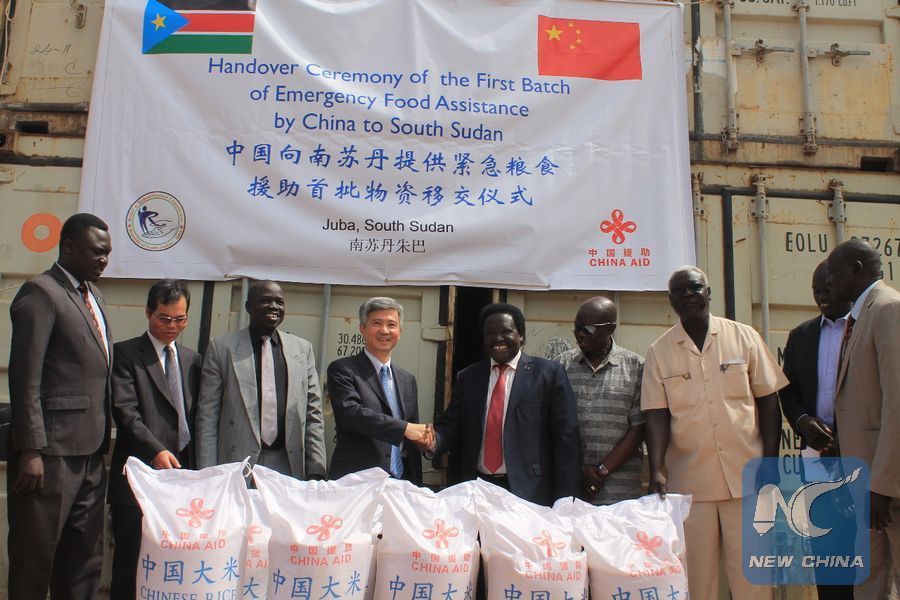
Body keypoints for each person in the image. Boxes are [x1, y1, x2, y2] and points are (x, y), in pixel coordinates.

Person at [642, 266, 786, 600]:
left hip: (747, 478)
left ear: (708, 292)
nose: (688, 295)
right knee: (697, 581)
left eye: (695, 288)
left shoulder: (744, 337)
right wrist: (657, 469)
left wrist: (770, 462)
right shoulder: (659, 351)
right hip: (691, 484)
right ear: (670, 301)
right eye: (680, 291)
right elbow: (656, 415)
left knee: (753, 579)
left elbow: (769, 402)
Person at [7, 212, 112, 600]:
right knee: (35, 560)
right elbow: (25, 377)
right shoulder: (41, 292)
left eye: (107, 253)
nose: (104, 260)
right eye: (97, 252)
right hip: (50, 455)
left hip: (90, 454)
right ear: (68, 247)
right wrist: (31, 449)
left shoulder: (94, 296)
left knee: (83, 561)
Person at [431, 302, 581, 506]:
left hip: (529, 492)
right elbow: (451, 426)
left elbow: (566, 440)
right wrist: (432, 441)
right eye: (490, 333)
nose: (498, 338)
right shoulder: (468, 377)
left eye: (506, 332)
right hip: (476, 489)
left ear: (521, 336)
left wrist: (566, 501)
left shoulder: (548, 374)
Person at [108, 279, 202, 600]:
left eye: (180, 319)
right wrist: (156, 450)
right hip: (138, 478)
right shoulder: (125, 354)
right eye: (164, 318)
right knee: (130, 564)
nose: (172, 326)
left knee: (170, 566)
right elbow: (125, 412)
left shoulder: (192, 360)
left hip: (180, 482)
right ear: (148, 312)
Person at [195, 280, 327, 479]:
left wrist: (316, 469)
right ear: (248, 306)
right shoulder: (222, 348)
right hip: (236, 464)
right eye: (265, 301)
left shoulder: (302, 350)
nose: (274, 307)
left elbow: (313, 414)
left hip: (287, 464)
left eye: (279, 302)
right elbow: (208, 416)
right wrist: (208, 473)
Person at [827, 239, 900, 599]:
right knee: (868, 581)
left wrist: (883, 486)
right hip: (865, 482)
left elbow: (897, 402)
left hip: (888, 487)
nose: (829, 282)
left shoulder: (888, 308)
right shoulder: (861, 315)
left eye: (834, 273)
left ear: (856, 269)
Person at [780, 261, 854, 599]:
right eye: (816, 291)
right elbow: (788, 392)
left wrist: (846, 438)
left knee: (872, 556)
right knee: (829, 556)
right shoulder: (801, 336)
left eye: (828, 289)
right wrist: (802, 421)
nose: (822, 297)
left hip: (863, 459)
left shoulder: (865, 329)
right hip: (817, 464)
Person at [328, 297, 428, 483]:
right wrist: (404, 429)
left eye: (392, 324)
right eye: (377, 323)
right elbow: (351, 413)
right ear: (362, 328)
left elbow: (411, 433)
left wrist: (424, 441)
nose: (384, 330)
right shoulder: (343, 370)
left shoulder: (407, 380)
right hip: (358, 481)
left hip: (402, 482)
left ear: (400, 331)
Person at [556, 296, 644, 505]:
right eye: (577, 327)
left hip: (618, 491)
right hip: (572, 487)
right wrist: (578, 470)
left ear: (610, 329)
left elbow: (640, 428)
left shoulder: (636, 367)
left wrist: (602, 471)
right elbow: (553, 426)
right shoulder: (561, 365)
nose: (580, 333)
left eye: (588, 328)